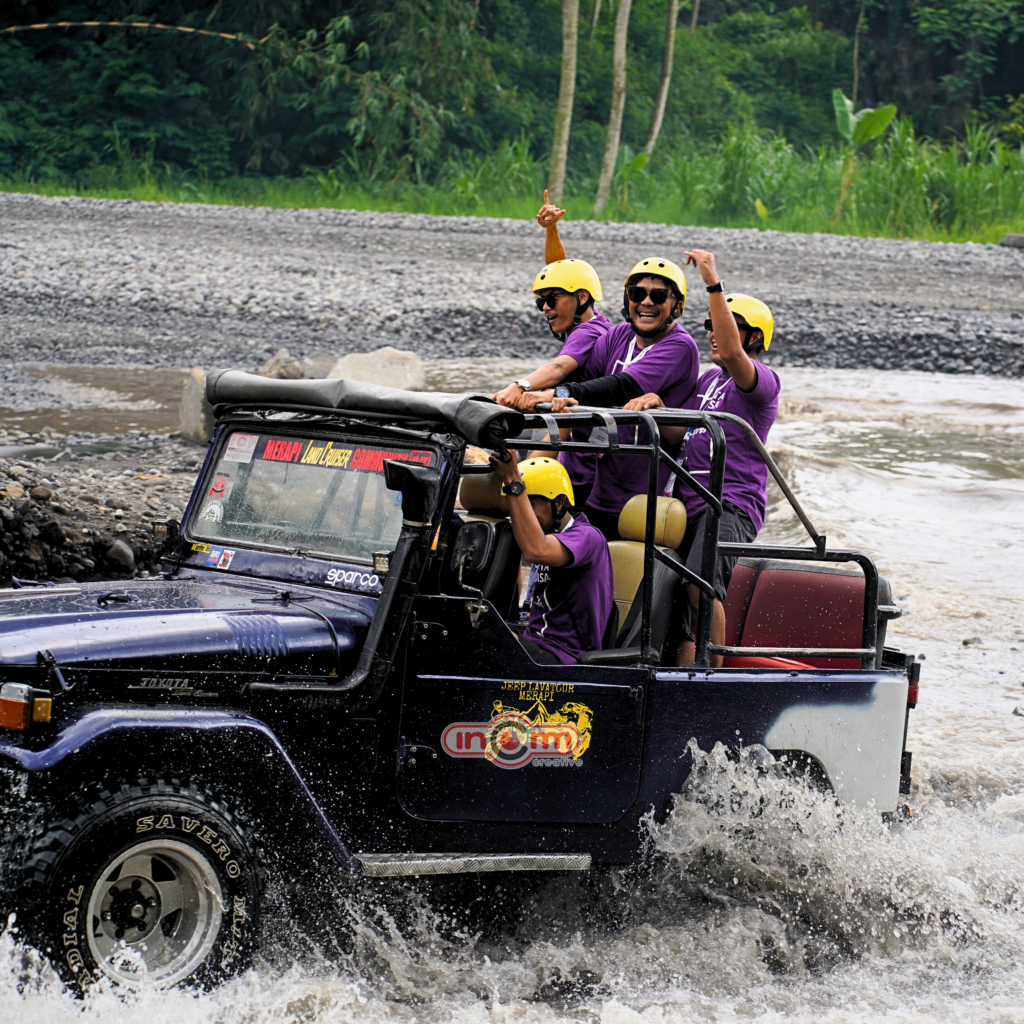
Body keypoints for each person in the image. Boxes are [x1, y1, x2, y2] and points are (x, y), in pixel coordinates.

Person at [630, 249, 780, 666]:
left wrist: (713, 284)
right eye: (709, 327)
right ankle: (674, 675)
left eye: (726, 328)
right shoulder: (708, 380)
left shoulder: (761, 383)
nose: (714, 334)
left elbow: (734, 355)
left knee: (699, 585)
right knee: (672, 590)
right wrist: (656, 405)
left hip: (729, 504)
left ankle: (709, 680)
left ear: (753, 338)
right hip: (689, 503)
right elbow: (681, 431)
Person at [524, 257, 701, 540]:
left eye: (657, 295)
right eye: (636, 293)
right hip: (599, 488)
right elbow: (586, 383)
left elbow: (622, 386)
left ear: (676, 306)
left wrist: (562, 392)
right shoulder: (616, 335)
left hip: (644, 497)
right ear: (626, 298)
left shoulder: (681, 346)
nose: (646, 302)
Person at [492, 193, 611, 507]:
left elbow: (559, 368)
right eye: (539, 301)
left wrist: (520, 385)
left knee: (520, 492)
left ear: (581, 298)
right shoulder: (581, 321)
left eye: (551, 300)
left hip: (589, 466)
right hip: (575, 447)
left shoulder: (591, 331)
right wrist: (551, 231)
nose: (545, 308)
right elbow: (564, 275)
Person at [488, 452, 613, 665]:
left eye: (531, 504)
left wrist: (513, 479)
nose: (523, 513)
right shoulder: (552, 536)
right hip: (536, 641)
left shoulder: (588, 537)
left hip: (566, 654)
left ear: (559, 502)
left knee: (487, 643)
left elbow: (536, 550)